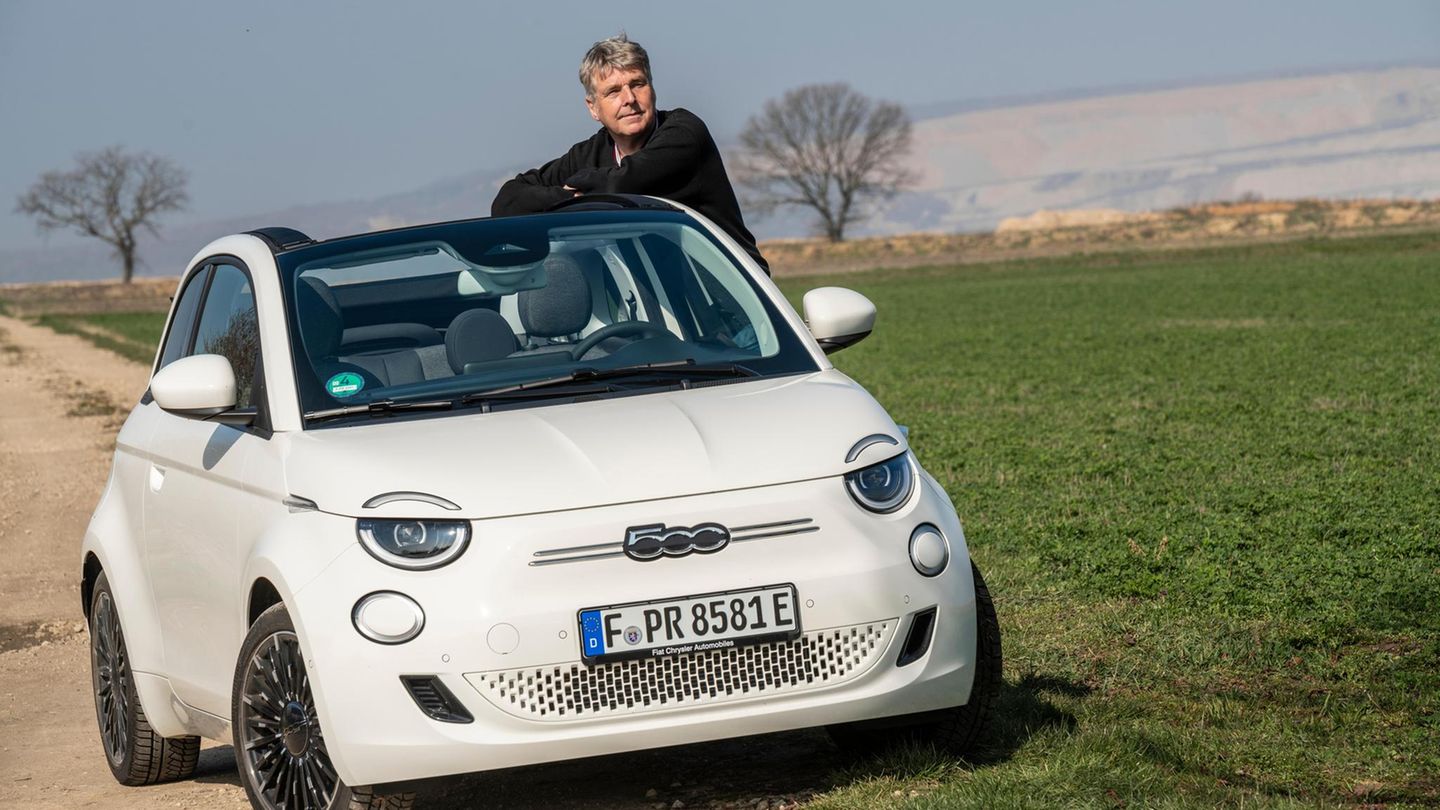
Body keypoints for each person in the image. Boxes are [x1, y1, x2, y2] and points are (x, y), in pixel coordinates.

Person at [491, 34, 769, 274]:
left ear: (652, 87)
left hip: (739, 309)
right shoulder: (589, 153)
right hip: (666, 315)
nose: (629, 99)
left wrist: (580, 194)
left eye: (637, 84)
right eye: (613, 91)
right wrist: (567, 198)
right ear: (593, 108)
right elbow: (507, 201)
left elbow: (623, 183)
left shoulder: (684, 133)